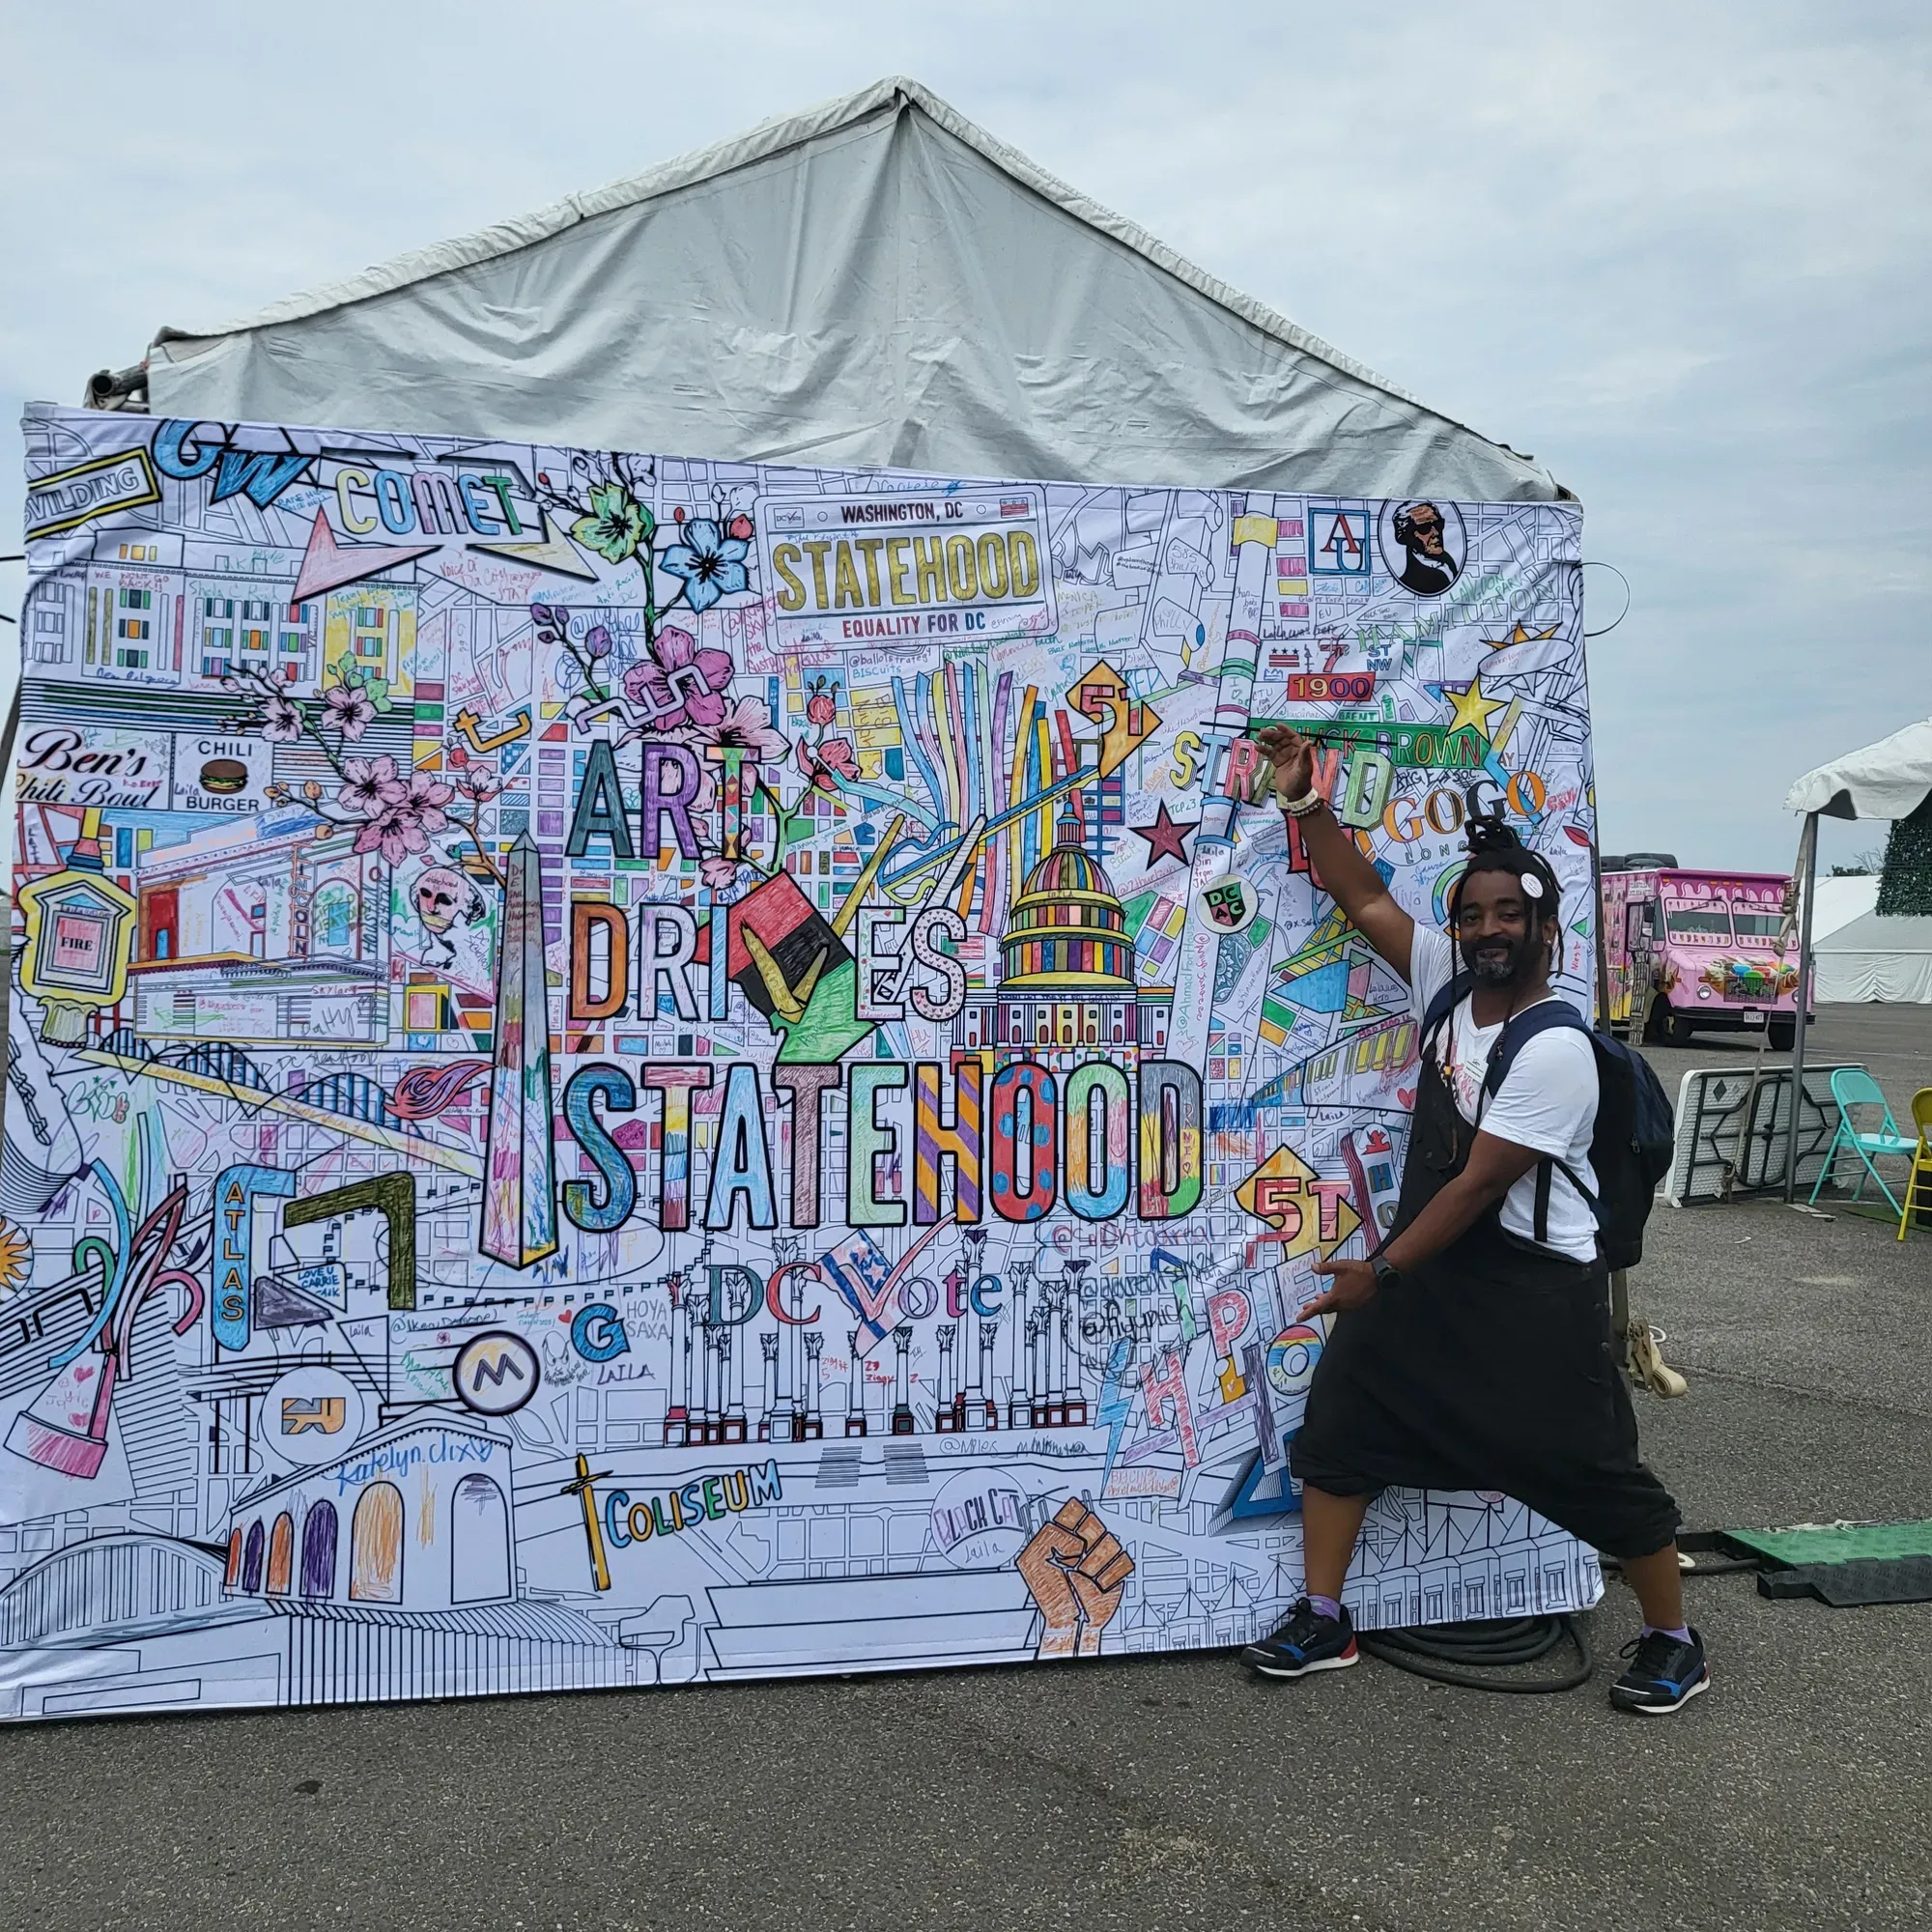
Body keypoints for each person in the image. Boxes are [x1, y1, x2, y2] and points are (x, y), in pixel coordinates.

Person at [1238, 723, 1709, 1715]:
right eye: (1473, 914)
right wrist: (1304, 799)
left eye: (1508, 913)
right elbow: (1360, 896)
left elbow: (1473, 1186)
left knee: (1590, 1468)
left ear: (1545, 929)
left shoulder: (1555, 1047)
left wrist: (1378, 1276)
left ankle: (1673, 1636)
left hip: (1528, 1291)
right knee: (1341, 1426)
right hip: (1432, 1272)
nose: (1489, 927)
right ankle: (1322, 1614)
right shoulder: (1447, 991)